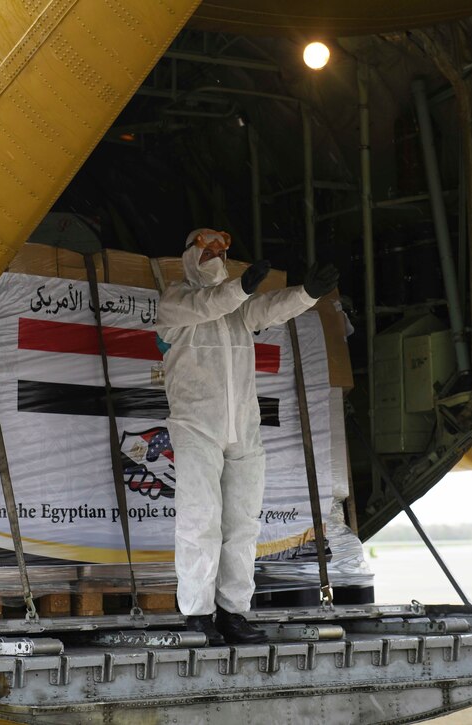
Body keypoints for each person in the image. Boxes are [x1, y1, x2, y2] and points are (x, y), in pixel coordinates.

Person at [156, 228, 339, 645]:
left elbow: (270, 308)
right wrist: (240, 287)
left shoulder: (238, 308)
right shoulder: (175, 301)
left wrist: (307, 294)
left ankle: (233, 613)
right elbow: (209, 304)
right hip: (195, 427)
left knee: (242, 526)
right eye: (208, 249)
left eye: (222, 249)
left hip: (244, 430)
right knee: (200, 520)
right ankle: (197, 616)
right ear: (188, 256)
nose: (217, 255)